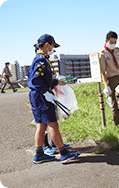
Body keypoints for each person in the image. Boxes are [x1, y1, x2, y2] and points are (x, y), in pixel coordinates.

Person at [28, 34, 80, 164]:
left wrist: (55, 81)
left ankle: (39, 154)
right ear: (47, 45)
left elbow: (44, 79)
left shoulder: (40, 58)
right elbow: (36, 80)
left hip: (37, 95)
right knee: (53, 124)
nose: (53, 48)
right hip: (41, 96)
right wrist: (46, 93)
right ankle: (64, 153)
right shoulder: (41, 60)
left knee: (41, 125)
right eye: (52, 45)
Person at [100, 31, 119, 127]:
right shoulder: (103, 53)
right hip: (112, 78)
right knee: (115, 103)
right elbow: (103, 71)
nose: (113, 44)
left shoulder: (117, 50)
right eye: (111, 42)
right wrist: (106, 85)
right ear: (106, 40)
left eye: (115, 42)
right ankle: (118, 125)